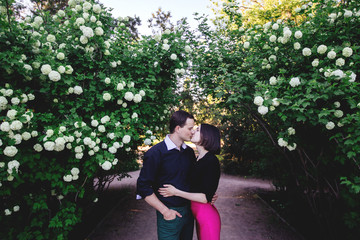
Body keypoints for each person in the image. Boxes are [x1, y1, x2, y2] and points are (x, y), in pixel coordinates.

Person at [136, 110, 197, 240]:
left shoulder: (189, 152)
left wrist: (207, 194)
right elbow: (143, 186)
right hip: (169, 214)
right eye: (190, 128)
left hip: (189, 212)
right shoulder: (155, 153)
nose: (193, 132)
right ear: (178, 128)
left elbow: (193, 181)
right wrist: (165, 211)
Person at [158, 123, 221, 240]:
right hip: (198, 215)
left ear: (206, 136)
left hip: (206, 216)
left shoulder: (211, 161)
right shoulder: (198, 158)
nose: (192, 132)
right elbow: (200, 187)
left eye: (197, 130)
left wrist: (176, 192)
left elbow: (204, 198)